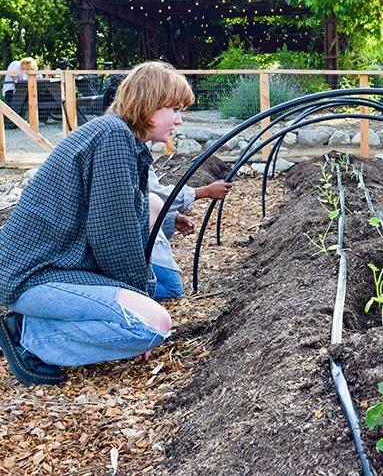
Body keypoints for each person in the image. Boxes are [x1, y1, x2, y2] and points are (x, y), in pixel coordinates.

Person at [0, 61, 194, 385]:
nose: (179, 119)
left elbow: (125, 217)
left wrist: (167, 228)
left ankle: (31, 323)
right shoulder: (114, 138)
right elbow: (113, 235)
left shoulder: (118, 135)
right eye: (173, 108)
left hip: (53, 268)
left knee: (145, 313)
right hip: (31, 275)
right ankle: (26, 335)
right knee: (153, 324)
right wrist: (140, 299)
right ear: (147, 104)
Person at [148, 167, 232, 300]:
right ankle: (120, 285)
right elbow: (155, 195)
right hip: (128, 239)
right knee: (173, 290)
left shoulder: (137, 150)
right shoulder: (125, 150)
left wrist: (170, 219)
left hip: (133, 231)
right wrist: (204, 191)